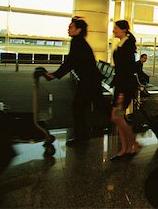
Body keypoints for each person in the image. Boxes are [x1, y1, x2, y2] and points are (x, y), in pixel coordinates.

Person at [46, 17, 103, 147]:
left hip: (89, 81)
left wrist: (54, 75)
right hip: (89, 80)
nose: (68, 29)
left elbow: (70, 62)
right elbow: (71, 62)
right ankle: (83, 135)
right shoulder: (78, 41)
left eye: (71, 27)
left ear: (79, 30)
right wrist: (56, 74)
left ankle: (82, 136)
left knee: (79, 107)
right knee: (82, 107)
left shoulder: (78, 42)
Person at [110, 20, 140, 161]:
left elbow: (126, 70)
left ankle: (130, 145)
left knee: (117, 116)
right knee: (117, 117)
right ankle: (126, 147)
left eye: (115, 28)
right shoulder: (123, 44)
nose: (113, 31)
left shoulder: (126, 46)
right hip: (122, 85)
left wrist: (121, 93)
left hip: (125, 87)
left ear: (123, 30)